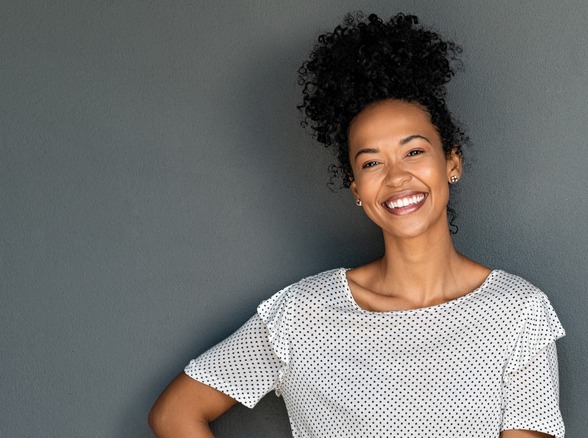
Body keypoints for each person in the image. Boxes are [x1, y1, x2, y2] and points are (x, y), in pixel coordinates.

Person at [148, 12, 565, 438]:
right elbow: (175, 414)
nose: (396, 176)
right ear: (356, 188)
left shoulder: (519, 313)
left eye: (414, 152)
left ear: (451, 162)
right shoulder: (303, 314)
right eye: (371, 162)